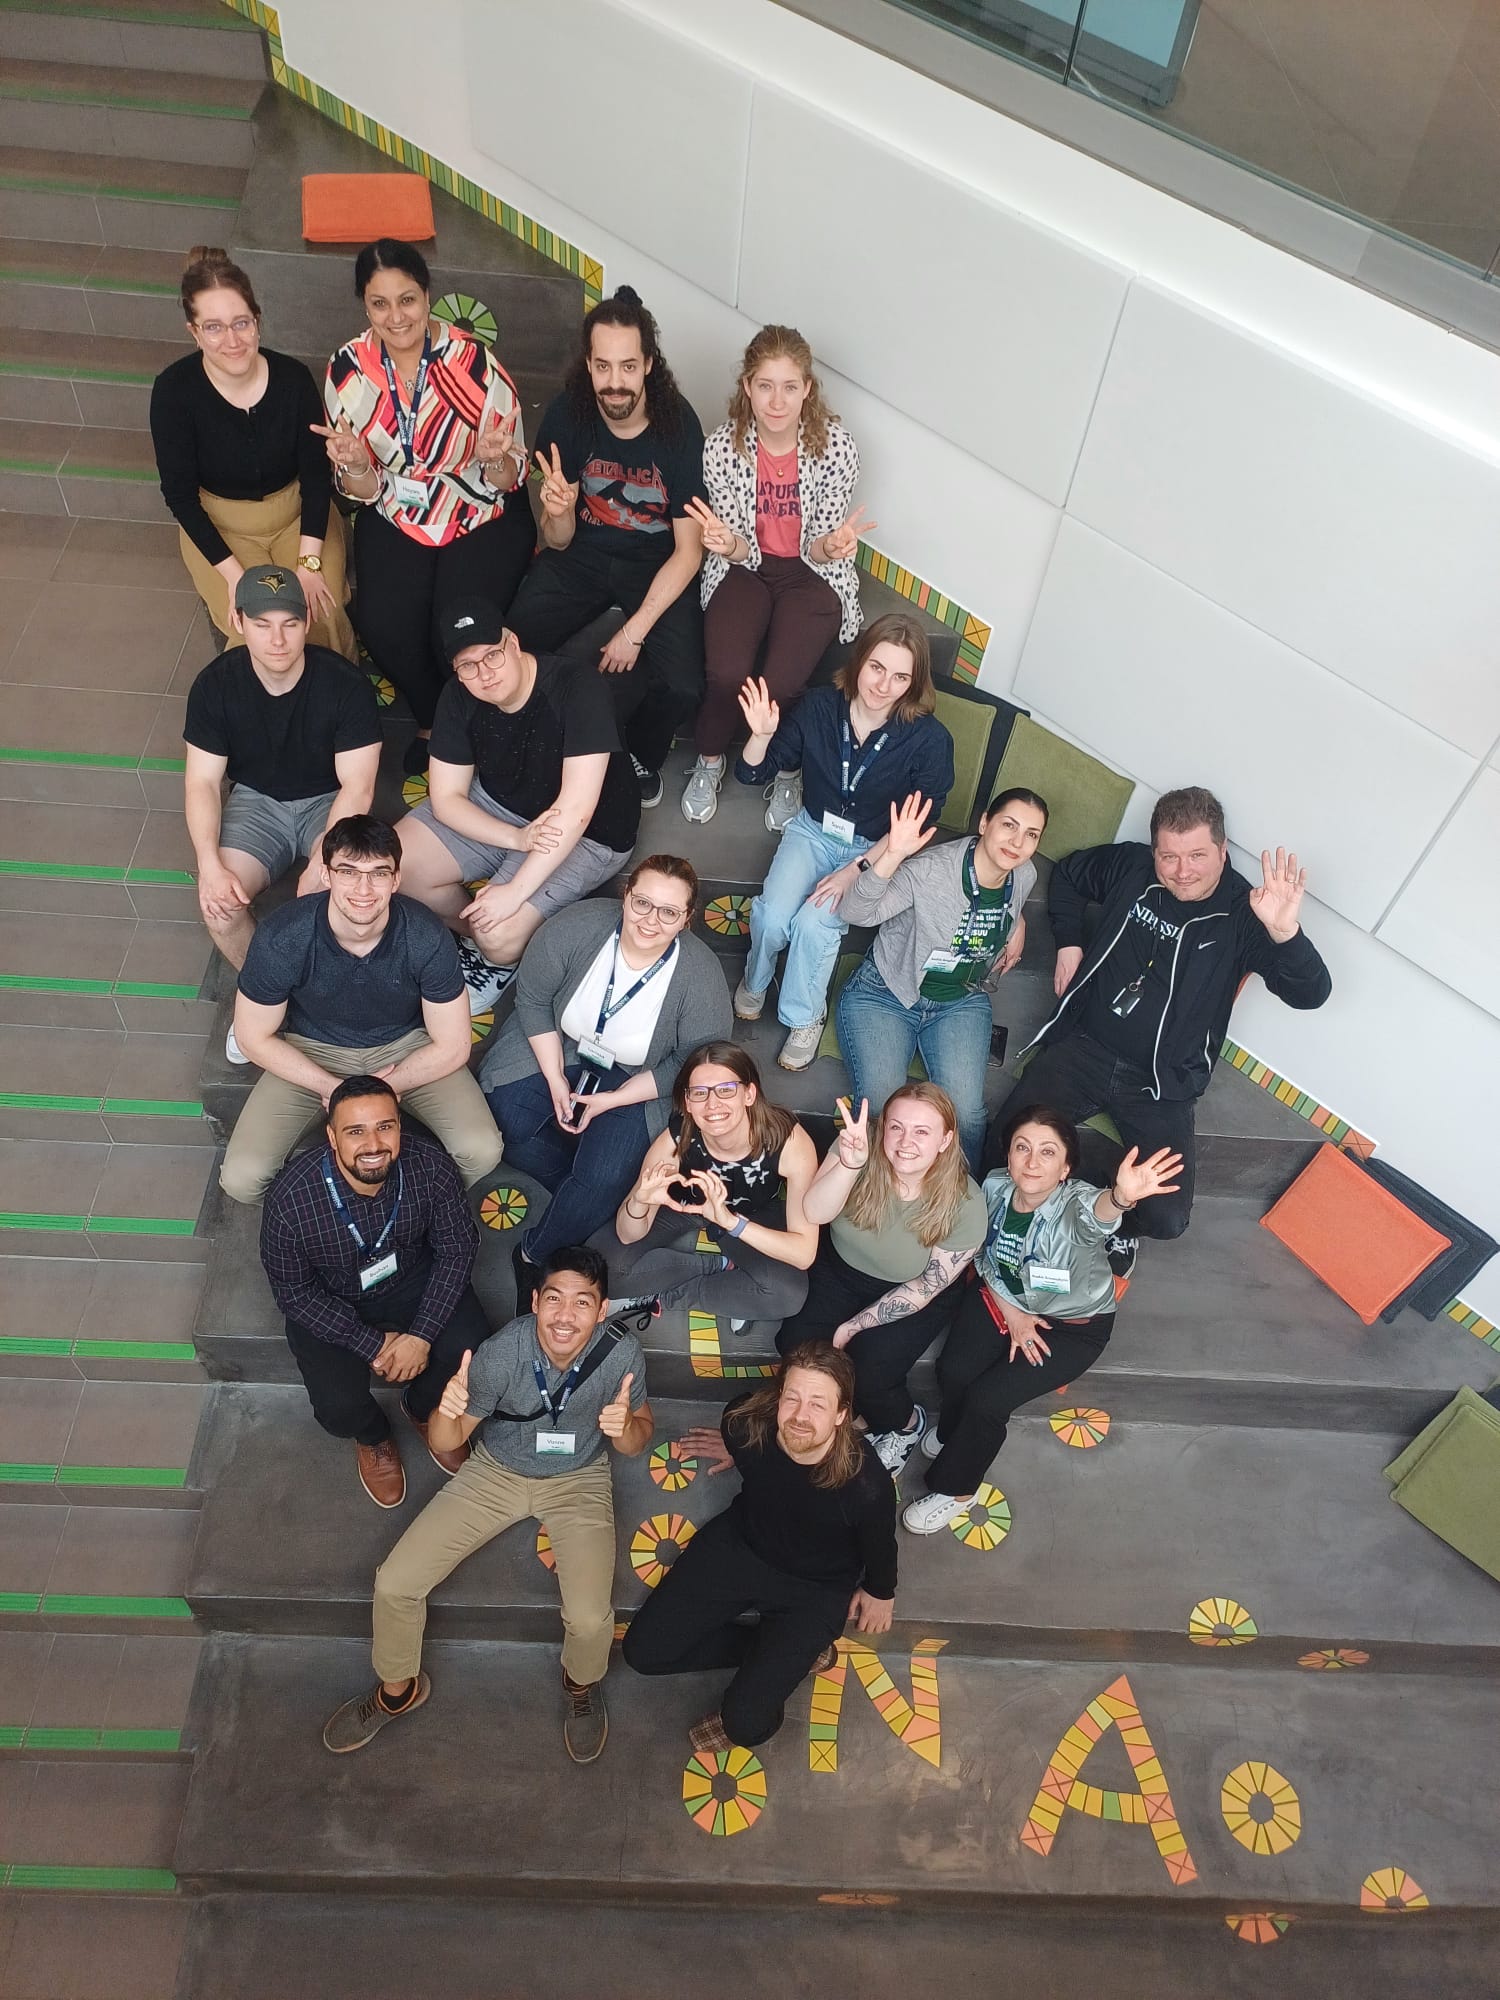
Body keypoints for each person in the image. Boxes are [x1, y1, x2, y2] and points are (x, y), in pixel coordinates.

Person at [322, 1245, 652, 1765]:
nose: (566, 1317)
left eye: (583, 1303)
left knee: (590, 1619)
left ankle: (581, 1684)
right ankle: (397, 1688)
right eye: (555, 1300)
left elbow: (638, 1439)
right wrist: (446, 1414)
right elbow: (446, 1441)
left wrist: (625, 1428)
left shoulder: (622, 1355)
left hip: (578, 1478)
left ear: (603, 1308)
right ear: (536, 1302)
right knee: (395, 1582)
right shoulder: (504, 1352)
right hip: (496, 1471)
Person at [984, 785, 1332, 1271]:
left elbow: (1311, 993)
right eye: (1169, 856)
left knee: (1167, 1218)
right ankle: (1062, 1205)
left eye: (1197, 855)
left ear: (1223, 851)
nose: (1182, 871)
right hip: (1084, 1048)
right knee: (1001, 1146)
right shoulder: (1132, 868)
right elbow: (1067, 875)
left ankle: (1111, 1220)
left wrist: (1284, 932)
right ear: (1154, 852)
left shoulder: (1246, 913)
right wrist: (1069, 942)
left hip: (1160, 1083)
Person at [904, 1107, 1181, 1534]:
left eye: (1047, 1152)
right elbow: (978, 1248)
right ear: (1008, 1155)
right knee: (953, 1370)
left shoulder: (1075, 1206)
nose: (1032, 1162)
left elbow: (1098, 1215)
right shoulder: (994, 1185)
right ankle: (955, 1433)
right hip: (1003, 1295)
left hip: (1073, 1327)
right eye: (1023, 1148)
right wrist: (1012, 1311)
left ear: (1066, 1168)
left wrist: (1121, 1197)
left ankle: (958, 1489)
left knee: (988, 1401)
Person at [320, 238, 532, 774]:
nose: (397, 316)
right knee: (382, 620)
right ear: (364, 305)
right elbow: (360, 492)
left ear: (428, 296)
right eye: (380, 303)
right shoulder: (348, 370)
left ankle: (471, 725)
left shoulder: (472, 361)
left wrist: (493, 459)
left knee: (455, 623)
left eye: (407, 299)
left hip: (477, 508)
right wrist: (355, 466)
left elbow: (511, 478)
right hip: (396, 507)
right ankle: (435, 719)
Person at [623, 1344, 896, 1754]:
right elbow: (749, 1437)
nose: (801, 1417)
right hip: (741, 1547)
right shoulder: (742, 1426)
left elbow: (880, 1544)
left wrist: (881, 1591)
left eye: (818, 1405)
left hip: (816, 1587)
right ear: (777, 1397)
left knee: (745, 1724)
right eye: (793, 1398)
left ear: (842, 1415)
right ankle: (791, 1655)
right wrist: (736, 1450)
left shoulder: (866, 1483)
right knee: (643, 1652)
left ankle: (790, 1653)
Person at [219, 815, 501, 1204]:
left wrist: (382, 1089)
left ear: (397, 879)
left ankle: (410, 1206)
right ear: (326, 873)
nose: (364, 888)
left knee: (482, 1149)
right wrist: (337, 1092)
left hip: (404, 1047)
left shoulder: (424, 934)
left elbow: (453, 1045)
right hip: (312, 1049)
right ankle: (330, 1214)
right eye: (348, 871)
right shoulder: (284, 935)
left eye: (379, 873)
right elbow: (253, 1037)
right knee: (242, 1179)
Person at [480, 861, 732, 1284]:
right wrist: (555, 1077)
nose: (651, 920)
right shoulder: (577, 927)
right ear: (625, 895)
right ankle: (583, 1191)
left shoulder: (700, 974)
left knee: (606, 1175)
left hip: (637, 1077)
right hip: (561, 1045)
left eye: (668, 912)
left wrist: (613, 1101)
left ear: (686, 919)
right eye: (643, 903)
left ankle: (533, 1256)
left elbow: (693, 1063)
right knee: (506, 1116)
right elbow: (535, 999)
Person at [507, 286, 706, 808]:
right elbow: (558, 541)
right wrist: (558, 509)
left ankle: (637, 751)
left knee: (685, 685)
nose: (614, 383)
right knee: (513, 638)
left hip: (655, 558)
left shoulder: (679, 425)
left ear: (647, 366)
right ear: (588, 366)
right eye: (602, 367)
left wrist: (633, 632)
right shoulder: (568, 415)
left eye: (626, 367)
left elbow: (690, 550)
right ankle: (534, 735)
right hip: (584, 551)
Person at [393, 599, 642, 1014]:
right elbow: (447, 797)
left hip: (590, 831)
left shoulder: (577, 686)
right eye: (467, 665)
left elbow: (577, 808)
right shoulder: (458, 695)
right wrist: (515, 837)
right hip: (499, 807)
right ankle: (471, 931)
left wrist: (514, 893)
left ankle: (497, 955)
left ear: (512, 642)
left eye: (491, 654)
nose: (484, 673)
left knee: (500, 934)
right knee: (393, 865)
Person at [732, 613, 955, 1071]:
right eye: (877, 667)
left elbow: (912, 826)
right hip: (813, 831)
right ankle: (756, 979)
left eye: (900, 676)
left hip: (873, 849)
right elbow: (753, 773)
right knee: (774, 916)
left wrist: (856, 870)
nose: (883, 684)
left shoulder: (929, 740)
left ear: (914, 683)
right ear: (859, 661)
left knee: (815, 924)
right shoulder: (818, 706)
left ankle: (805, 1016)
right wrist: (760, 736)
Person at [259, 1074, 490, 1507]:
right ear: (331, 1136)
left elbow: (458, 1249)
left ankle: (423, 1409)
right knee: (336, 1407)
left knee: (470, 1354)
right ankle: (375, 1435)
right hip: (331, 1296)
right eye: (355, 1130)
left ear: (400, 1126)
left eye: (385, 1126)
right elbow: (294, 1294)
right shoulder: (290, 1199)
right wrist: (373, 1344)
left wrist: (420, 1336)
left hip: (410, 1277)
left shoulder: (430, 1165)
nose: (373, 1143)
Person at [183, 564, 381, 1059]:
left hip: (328, 800)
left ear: (307, 620)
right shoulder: (215, 685)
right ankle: (268, 994)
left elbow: (358, 786)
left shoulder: (344, 685)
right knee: (219, 904)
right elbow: (202, 781)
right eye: (263, 623)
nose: (277, 639)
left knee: (337, 886)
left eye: (289, 624)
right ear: (238, 619)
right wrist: (208, 864)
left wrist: (324, 860)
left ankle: (328, 997)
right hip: (256, 801)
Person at [678, 324, 870, 827]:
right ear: (747, 386)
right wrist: (726, 544)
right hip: (746, 567)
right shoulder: (722, 447)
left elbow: (821, 542)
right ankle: (710, 759)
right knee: (725, 675)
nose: (777, 400)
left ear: (808, 388)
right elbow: (738, 542)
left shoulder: (837, 448)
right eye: (765, 385)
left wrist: (833, 545)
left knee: (783, 682)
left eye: (790, 386)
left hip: (809, 572)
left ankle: (785, 768)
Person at [151, 246, 354, 658]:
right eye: (214, 327)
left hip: (297, 516)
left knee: (319, 610)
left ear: (257, 321)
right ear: (194, 332)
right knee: (257, 621)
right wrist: (234, 577)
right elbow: (180, 498)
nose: (231, 340)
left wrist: (310, 565)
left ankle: (339, 697)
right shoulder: (174, 392)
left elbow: (316, 479)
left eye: (241, 323)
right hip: (222, 525)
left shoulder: (293, 379)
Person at [836, 788, 1048, 1166]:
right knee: (887, 1108)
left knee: (965, 1115)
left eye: (1031, 834)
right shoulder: (930, 870)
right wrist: (893, 856)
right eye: (1009, 826)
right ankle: (879, 1202)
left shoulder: (1024, 873)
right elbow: (854, 911)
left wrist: (1017, 923)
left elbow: (1007, 899)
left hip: (960, 1000)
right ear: (984, 823)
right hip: (886, 994)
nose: (1018, 842)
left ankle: (956, 1208)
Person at [783, 1085, 986, 1471]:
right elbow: (814, 1212)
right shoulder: (855, 1151)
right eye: (896, 1127)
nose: (905, 1142)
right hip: (839, 1270)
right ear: (882, 1129)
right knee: (797, 1346)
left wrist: (854, 1326)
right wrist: (849, 1164)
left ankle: (906, 1426)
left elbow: (928, 1286)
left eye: (922, 1132)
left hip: (912, 1288)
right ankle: (851, 1421)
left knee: (871, 1372)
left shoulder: (966, 1202)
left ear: (946, 1140)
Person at [600, 1043, 818, 1333]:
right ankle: (720, 1267)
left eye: (726, 1089)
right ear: (687, 1102)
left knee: (786, 1294)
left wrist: (730, 1222)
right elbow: (629, 1235)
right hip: (685, 1205)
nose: (712, 1105)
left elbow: (804, 1252)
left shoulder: (787, 1140)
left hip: (747, 1214)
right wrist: (639, 1202)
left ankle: (674, 1297)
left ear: (749, 1094)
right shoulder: (674, 1140)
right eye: (700, 1093)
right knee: (605, 1270)